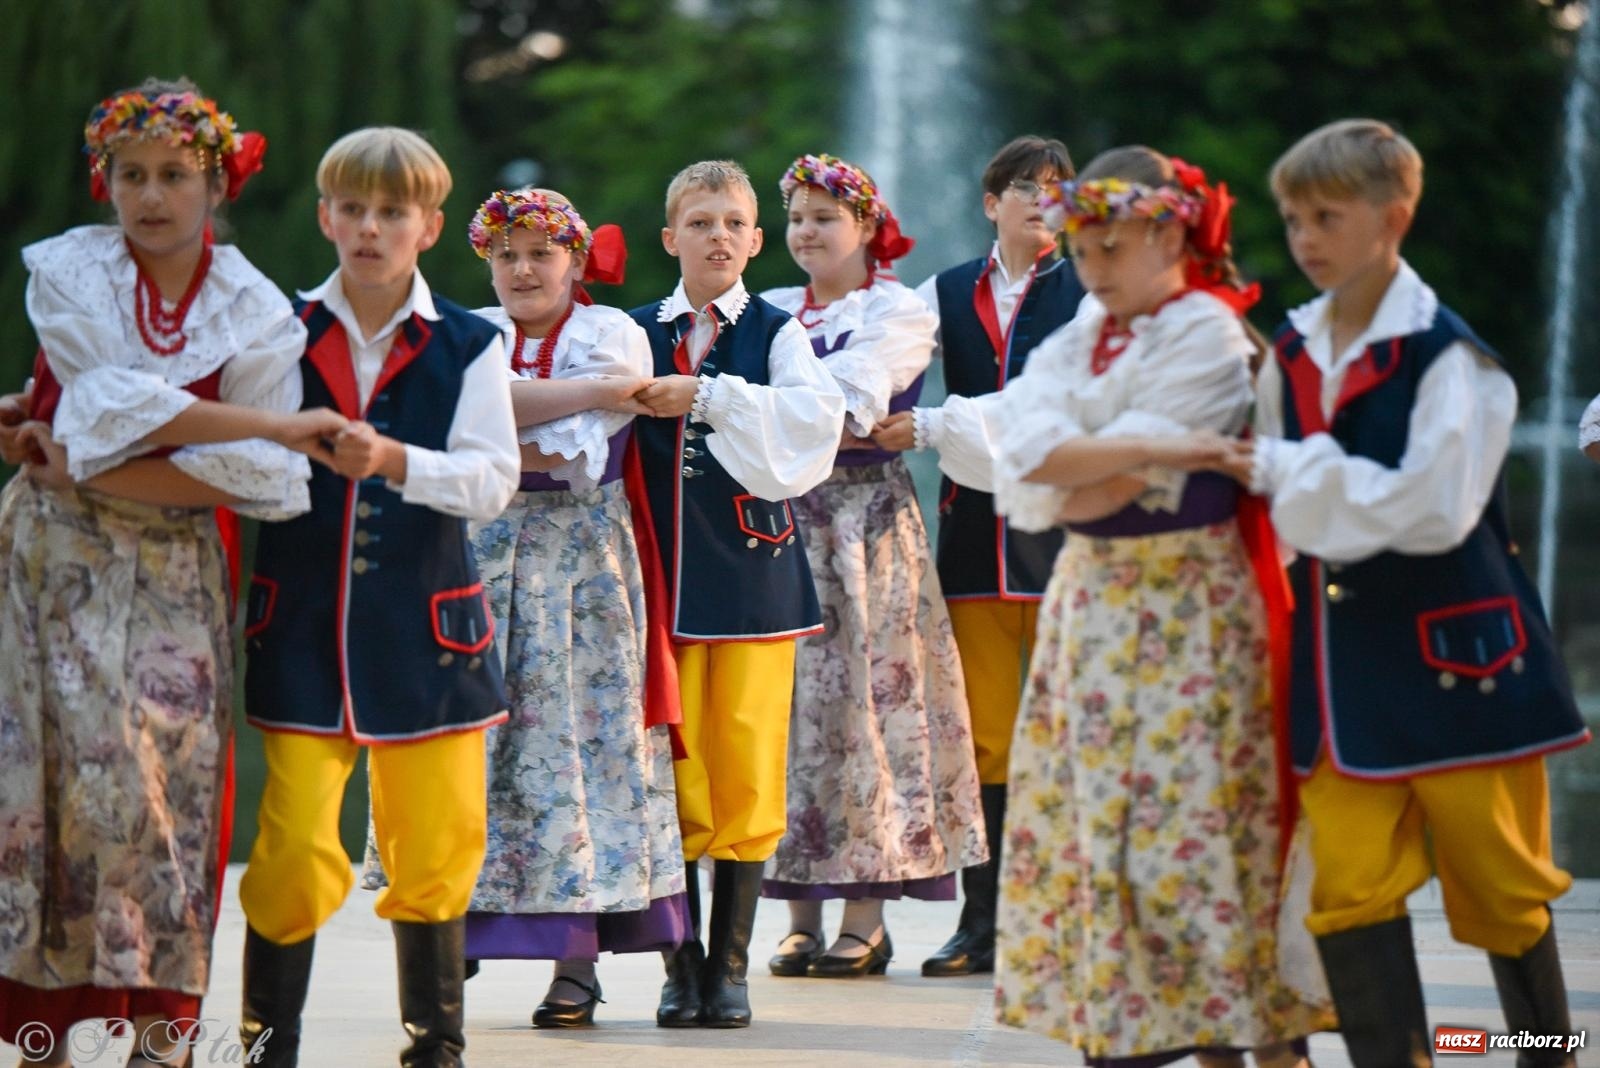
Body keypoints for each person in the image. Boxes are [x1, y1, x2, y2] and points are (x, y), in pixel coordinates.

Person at [1215, 118, 1589, 1067]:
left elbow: (1436, 511)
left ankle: (1546, 1051)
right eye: (1293, 217)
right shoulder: (1292, 347)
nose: (1303, 237)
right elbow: (1265, 476)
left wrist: (1297, 476)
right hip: (1339, 675)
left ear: (1395, 216)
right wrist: (1291, 479)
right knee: (1345, 887)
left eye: (1326, 216)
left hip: (1467, 663)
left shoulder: (1454, 361)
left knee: (1504, 888)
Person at [0, 78, 340, 1067]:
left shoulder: (252, 305)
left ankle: (162, 1033)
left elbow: (263, 484)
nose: (152, 197)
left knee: (161, 791)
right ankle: (39, 1036)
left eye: (176, 177)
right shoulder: (67, 270)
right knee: (43, 789)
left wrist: (112, 459)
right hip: (50, 557)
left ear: (217, 183)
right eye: (131, 175)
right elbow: (105, 402)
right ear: (105, 183)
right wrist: (264, 421)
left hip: (175, 564)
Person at [988, 145, 1327, 1066]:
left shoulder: (1207, 331)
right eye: (1083, 250)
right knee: (1101, 823)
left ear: (1170, 231)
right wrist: (1127, 460)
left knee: (1199, 826)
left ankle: (1251, 1036)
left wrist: (1095, 460)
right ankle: (1145, 1020)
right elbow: (1027, 451)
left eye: (1111, 249)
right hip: (1091, 604)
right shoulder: (1081, 332)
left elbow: (1081, 468)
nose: (1093, 270)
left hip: (1191, 606)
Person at [362, 186, 686, 1030]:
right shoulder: (469, 331)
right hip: (472, 547)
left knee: (574, 739)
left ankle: (574, 960)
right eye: (506, 254)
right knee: (468, 737)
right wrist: (584, 395)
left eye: (541, 252)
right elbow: (471, 425)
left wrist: (508, 408)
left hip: (581, 560)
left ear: (575, 262)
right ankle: (451, 923)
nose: (522, 268)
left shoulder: (611, 332)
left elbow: (555, 443)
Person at [235, 127, 519, 1068]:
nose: (369, 228)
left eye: (391, 212)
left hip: (432, 634)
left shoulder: (473, 344)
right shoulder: (278, 329)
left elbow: (492, 481)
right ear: (324, 217)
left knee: (438, 845)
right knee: (293, 846)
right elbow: (239, 460)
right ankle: (268, 1045)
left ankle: (434, 1047)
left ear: (429, 227)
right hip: (302, 628)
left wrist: (394, 460)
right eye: (352, 209)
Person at [626, 160, 845, 1027]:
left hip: (755, 579)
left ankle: (731, 969)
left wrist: (709, 395)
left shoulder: (780, 333)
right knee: (674, 771)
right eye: (700, 221)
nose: (718, 236)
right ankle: (680, 969)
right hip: (661, 582)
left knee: (748, 764)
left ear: (757, 241)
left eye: (733, 223)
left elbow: (811, 431)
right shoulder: (632, 331)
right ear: (670, 237)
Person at [758, 153, 986, 979]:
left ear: (865, 228)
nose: (807, 232)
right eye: (797, 219)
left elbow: (849, 400)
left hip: (863, 521)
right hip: (782, 519)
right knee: (787, 708)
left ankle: (865, 913)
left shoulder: (895, 310)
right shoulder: (772, 307)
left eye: (825, 217)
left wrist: (768, 408)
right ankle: (797, 914)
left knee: (864, 701)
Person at [872, 135, 1084, 978]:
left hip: (1068, 544)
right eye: (1025, 188)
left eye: (1058, 188)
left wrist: (928, 426)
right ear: (991, 203)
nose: (1044, 200)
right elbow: (890, 359)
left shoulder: (1093, 291)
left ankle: (1065, 924)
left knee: (1068, 738)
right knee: (981, 742)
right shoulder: (944, 291)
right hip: (972, 543)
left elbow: (1059, 407)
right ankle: (984, 924)